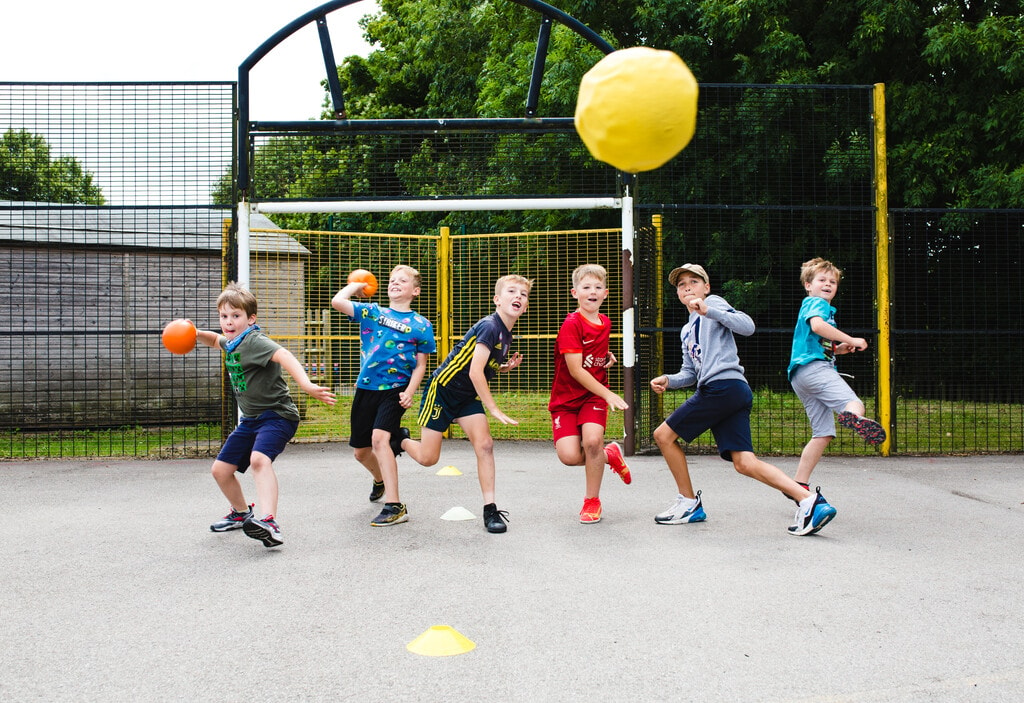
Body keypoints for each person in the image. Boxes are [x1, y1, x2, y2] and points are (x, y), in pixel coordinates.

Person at [649, 264, 836, 536]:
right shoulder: (686, 330)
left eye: (693, 281)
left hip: (723, 387)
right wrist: (668, 379)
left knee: (663, 436)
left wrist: (709, 310)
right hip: (728, 392)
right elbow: (690, 372)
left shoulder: (713, 304)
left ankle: (689, 503)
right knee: (744, 463)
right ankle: (809, 502)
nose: (687, 287)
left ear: (706, 287)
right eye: (681, 284)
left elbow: (747, 326)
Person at [197, 282, 337, 548]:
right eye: (224, 316)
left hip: (277, 416)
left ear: (251, 319)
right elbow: (215, 339)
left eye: (235, 316)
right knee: (220, 471)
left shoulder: (254, 341)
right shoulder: (232, 343)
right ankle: (240, 513)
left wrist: (306, 385)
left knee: (259, 460)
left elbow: (283, 355)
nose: (228, 321)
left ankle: (270, 522)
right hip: (251, 420)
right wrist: (192, 332)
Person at [394, 274, 531, 534]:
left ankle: (490, 509)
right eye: (511, 291)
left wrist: (503, 367)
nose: (518, 297)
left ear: (525, 306)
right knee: (428, 458)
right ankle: (399, 439)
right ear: (497, 300)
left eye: (523, 295)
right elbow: (474, 372)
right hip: (444, 391)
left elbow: (483, 365)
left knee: (486, 445)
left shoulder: (506, 333)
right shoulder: (491, 326)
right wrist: (493, 408)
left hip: (466, 397)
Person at [331, 265, 435, 527]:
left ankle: (395, 505)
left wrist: (410, 392)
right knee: (361, 452)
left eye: (402, 280)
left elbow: (421, 364)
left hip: (395, 389)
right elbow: (337, 301)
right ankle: (379, 479)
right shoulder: (372, 311)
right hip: (366, 388)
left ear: (416, 291)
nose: (395, 283)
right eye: (391, 280)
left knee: (380, 440)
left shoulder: (421, 325)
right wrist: (358, 284)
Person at [787, 257, 886, 496]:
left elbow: (816, 340)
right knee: (854, 404)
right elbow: (818, 327)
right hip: (815, 370)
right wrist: (852, 340)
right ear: (808, 285)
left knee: (822, 433)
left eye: (833, 281)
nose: (828, 284)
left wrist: (838, 348)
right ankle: (852, 416)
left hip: (800, 376)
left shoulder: (817, 306)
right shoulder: (816, 304)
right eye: (822, 280)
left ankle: (798, 485)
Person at [548, 264, 632, 524]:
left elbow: (593, 352)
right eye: (586, 287)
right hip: (566, 399)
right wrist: (609, 393)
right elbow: (575, 370)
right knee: (570, 456)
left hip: (591, 397)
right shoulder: (571, 324)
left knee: (593, 442)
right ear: (575, 293)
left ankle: (592, 501)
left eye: (597, 287)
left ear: (605, 293)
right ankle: (611, 455)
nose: (592, 292)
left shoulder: (605, 321)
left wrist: (606, 357)